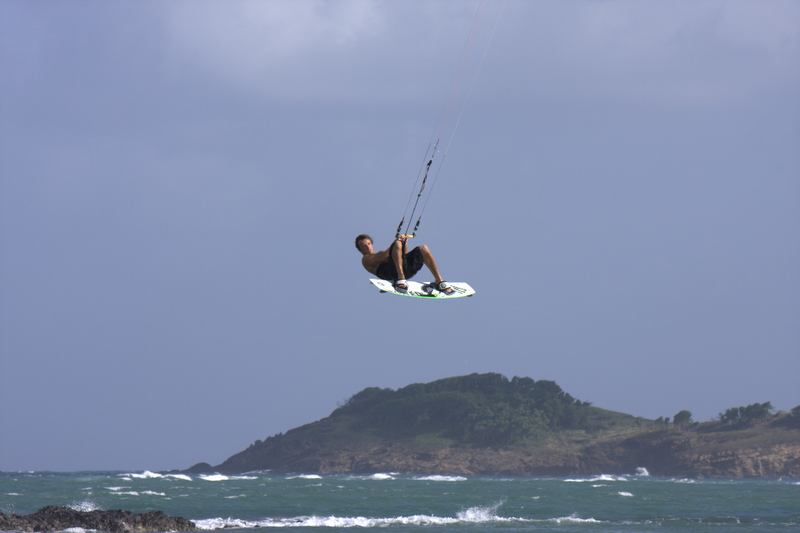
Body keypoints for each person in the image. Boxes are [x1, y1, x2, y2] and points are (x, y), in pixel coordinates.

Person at [355, 233, 454, 294]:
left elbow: (404, 254)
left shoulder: (381, 251)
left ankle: (439, 280)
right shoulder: (365, 260)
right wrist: (398, 241)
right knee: (397, 244)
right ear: (360, 250)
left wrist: (404, 242)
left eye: (369, 244)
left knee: (423, 248)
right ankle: (401, 279)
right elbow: (383, 257)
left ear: (372, 243)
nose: (368, 247)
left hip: (406, 269)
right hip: (392, 274)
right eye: (364, 246)